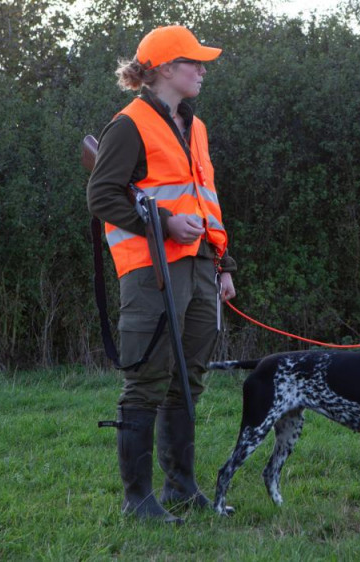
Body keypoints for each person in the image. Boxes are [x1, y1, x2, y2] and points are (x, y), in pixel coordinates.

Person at [86, 25, 237, 523]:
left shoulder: (196, 127)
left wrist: (222, 265)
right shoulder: (128, 125)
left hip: (199, 269)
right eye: (194, 62)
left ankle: (181, 487)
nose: (202, 70)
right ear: (166, 68)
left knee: (189, 380)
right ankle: (138, 501)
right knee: (147, 380)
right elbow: (102, 196)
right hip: (151, 271)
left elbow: (205, 201)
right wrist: (163, 223)